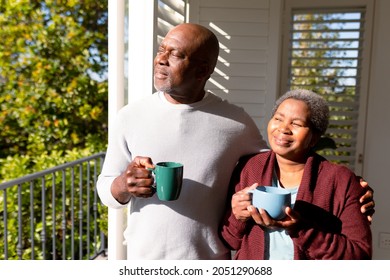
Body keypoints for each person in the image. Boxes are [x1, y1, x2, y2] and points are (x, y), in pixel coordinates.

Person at [97, 23, 374, 260]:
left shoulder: (235, 122)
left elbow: (284, 163)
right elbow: (106, 190)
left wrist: (351, 190)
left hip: (211, 261)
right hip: (143, 260)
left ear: (202, 70)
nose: (161, 59)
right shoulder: (130, 116)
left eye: (176, 54)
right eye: (162, 50)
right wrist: (123, 184)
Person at [220, 89, 372, 259]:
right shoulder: (249, 167)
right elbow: (230, 241)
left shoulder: (340, 180)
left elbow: (360, 255)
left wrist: (302, 230)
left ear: (314, 137)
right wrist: (237, 217)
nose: (283, 128)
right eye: (278, 119)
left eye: (297, 124)